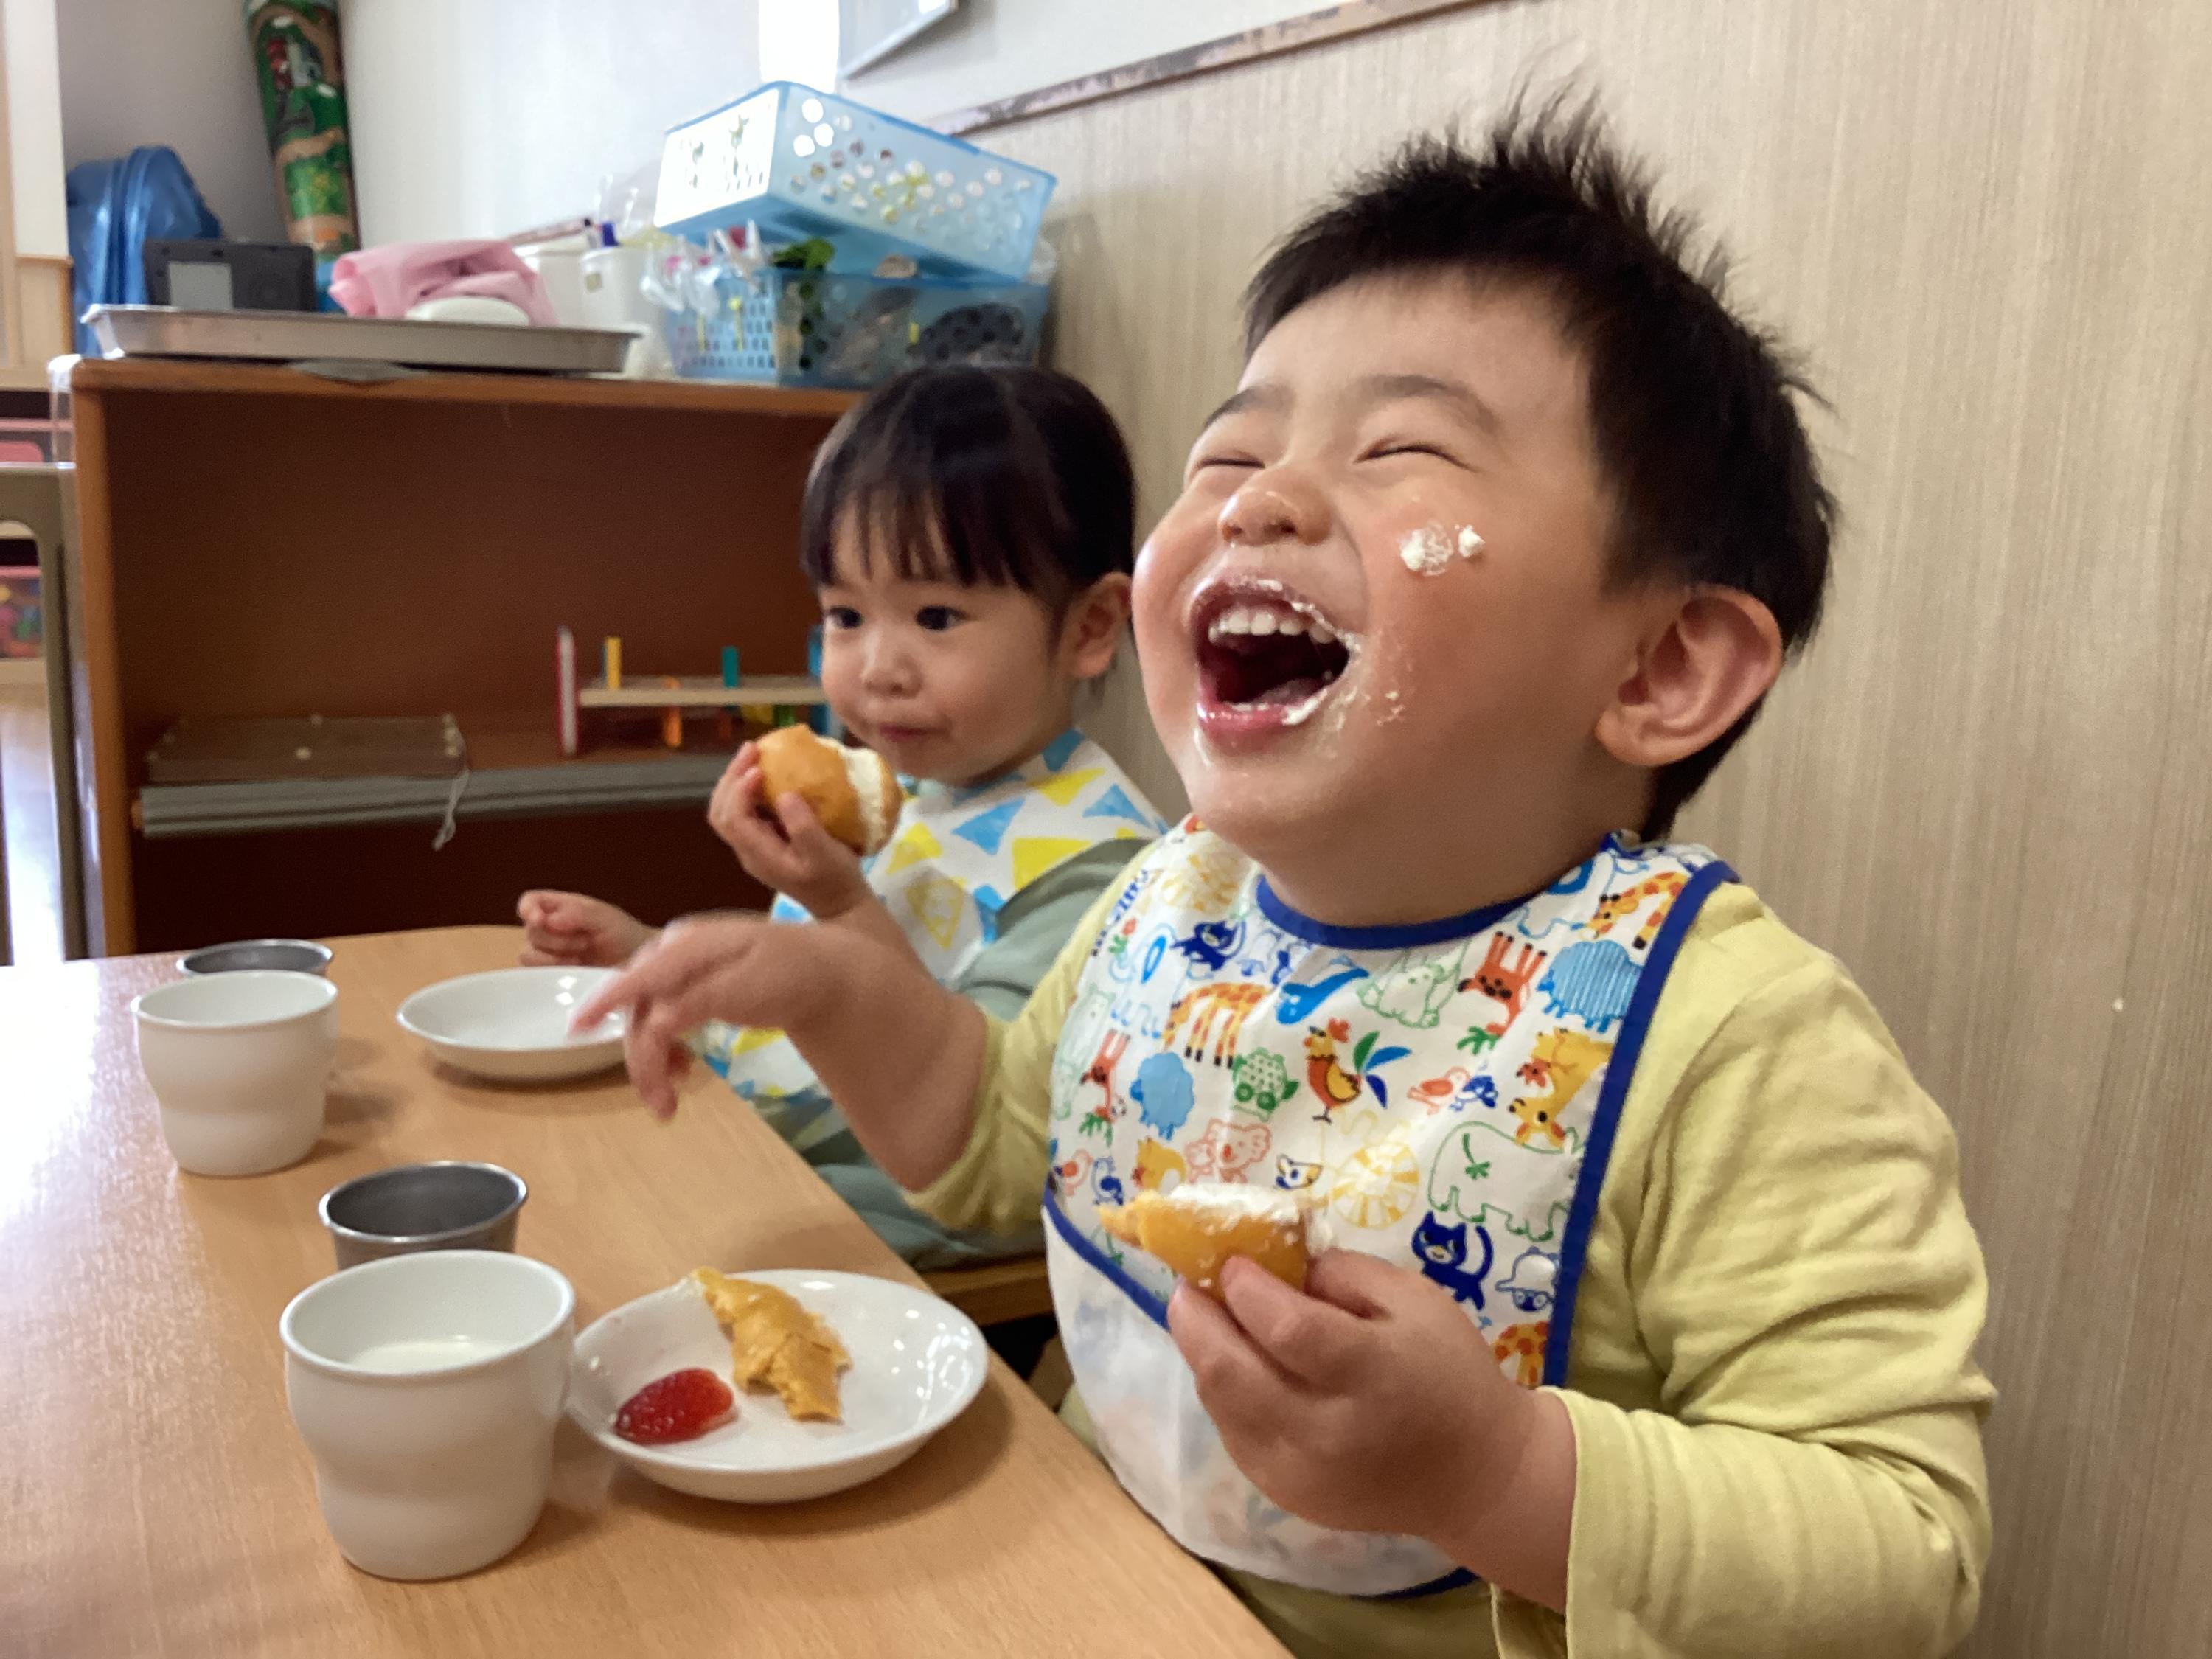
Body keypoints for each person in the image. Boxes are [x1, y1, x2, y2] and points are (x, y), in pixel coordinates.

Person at [577, 101, 1992, 1658]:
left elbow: (1906, 1550)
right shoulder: (1171, 900)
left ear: (1658, 666)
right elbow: (991, 1152)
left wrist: (1498, 1475)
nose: (1257, 499)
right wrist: (836, 989)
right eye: (1231, 454)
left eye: (1398, 450)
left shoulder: (1736, 1038)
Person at [523, 365, 1165, 1269]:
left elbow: (975, 1124)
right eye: (845, 615)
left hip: (888, 1245)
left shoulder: (1101, 873)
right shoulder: (907, 792)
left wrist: (840, 904)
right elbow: (793, 1005)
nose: (876, 669)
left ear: (1089, 628)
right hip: (766, 1156)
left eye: (935, 616)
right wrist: (655, 961)